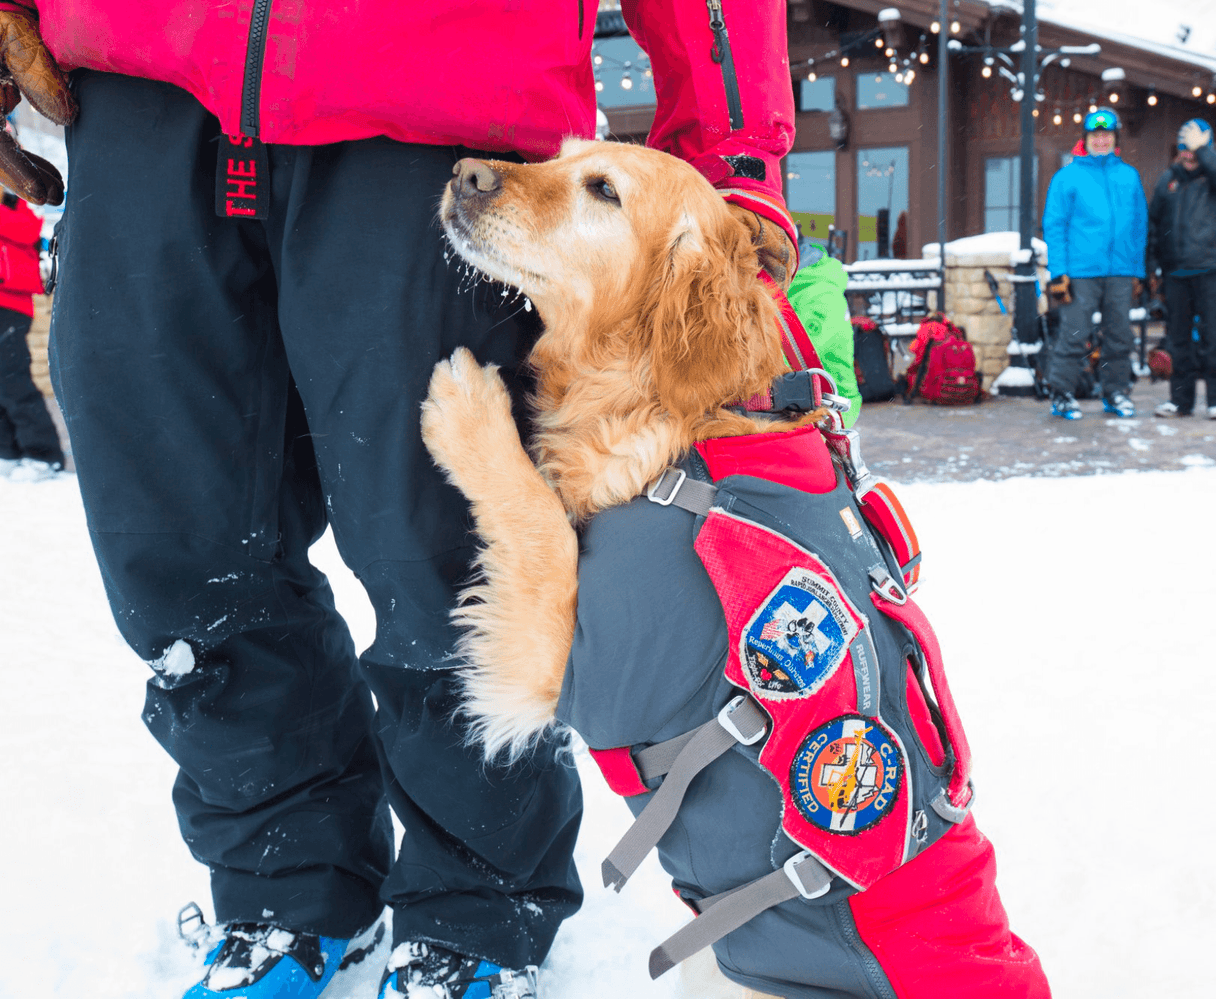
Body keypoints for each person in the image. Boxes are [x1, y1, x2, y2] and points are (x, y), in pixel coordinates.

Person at [0, 4, 796, 998]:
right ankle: (277, 885)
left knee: (449, 557)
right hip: (137, 85)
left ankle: (476, 906)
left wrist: (730, 155)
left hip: (432, 87)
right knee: (178, 547)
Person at [1041, 107, 1148, 420]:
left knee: (1119, 337)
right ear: (1085, 140)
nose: (1101, 140)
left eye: (1107, 135)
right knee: (1074, 334)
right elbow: (1055, 226)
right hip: (1080, 271)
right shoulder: (1067, 177)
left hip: (1121, 271)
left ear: (1114, 139)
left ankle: (1115, 392)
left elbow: (1140, 226)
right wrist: (1058, 272)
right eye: (1095, 135)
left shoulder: (1129, 176)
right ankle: (1061, 394)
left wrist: (1138, 271)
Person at [1146, 118, 1216, 420]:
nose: (1188, 156)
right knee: (1178, 341)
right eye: (1184, 150)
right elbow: (1154, 226)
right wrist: (1153, 268)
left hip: (1212, 268)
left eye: (1193, 149)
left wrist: (1203, 150)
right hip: (1176, 273)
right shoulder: (1168, 181)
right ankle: (1180, 401)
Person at [0, 186, 62, 476]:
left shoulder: (18, 207)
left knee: (13, 380)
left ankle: (43, 455)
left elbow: (28, 230)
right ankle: (7, 451)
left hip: (11, 305)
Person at [787, 234, 861, 422]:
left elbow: (794, 355)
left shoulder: (815, 293)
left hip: (827, 407)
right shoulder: (810, 285)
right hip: (821, 402)